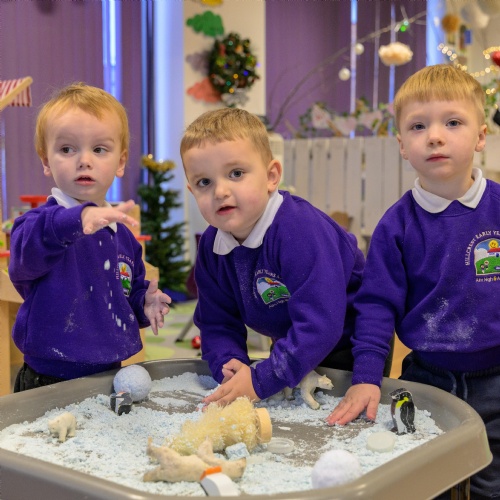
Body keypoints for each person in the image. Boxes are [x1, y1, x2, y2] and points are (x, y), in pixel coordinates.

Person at [326, 64, 499, 498]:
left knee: (490, 483)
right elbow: (376, 306)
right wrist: (367, 376)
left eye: (452, 122)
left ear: (480, 136)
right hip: (427, 379)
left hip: (497, 377)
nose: (434, 137)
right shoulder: (396, 226)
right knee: (427, 480)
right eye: (419, 126)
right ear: (403, 145)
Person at [180, 107, 365, 406]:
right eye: (204, 182)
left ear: (271, 176)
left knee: (333, 420)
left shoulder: (299, 230)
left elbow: (320, 323)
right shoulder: (212, 246)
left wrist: (262, 379)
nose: (220, 191)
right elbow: (217, 321)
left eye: (236, 173)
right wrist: (229, 363)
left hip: (350, 341)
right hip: (292, 340)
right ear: (192, 190)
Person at [9, 83, 171, 391]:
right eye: (67, 149)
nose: (84, 160)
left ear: (120, 162)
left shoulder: (124, 238)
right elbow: (23, 259)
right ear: (46, 161)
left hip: (108, 375)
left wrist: (145, 304)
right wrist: (78, 219)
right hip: (47, 378)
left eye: (99, 149)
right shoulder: (38, 226)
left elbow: (128, 292)